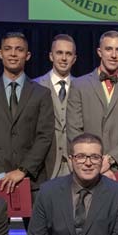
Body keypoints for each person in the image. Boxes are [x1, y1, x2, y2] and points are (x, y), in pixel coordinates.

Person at [0, 31, 54, 193]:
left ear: (28, 55)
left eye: (19, 49)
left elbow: (44, 136)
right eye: (8, 49)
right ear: (0, 53)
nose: (13, 53)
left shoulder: (42, 93)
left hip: (32, 181)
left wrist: (23, 170)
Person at [66, 30, 118, 177]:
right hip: (87, 168)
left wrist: (110, 160)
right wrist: (94, 162)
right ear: (99, 52)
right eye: (108, 49)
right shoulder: (79, 86)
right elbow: (74, 130)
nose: (113, 55)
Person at [34, 34, 77, 179]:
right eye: (59, 53)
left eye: (68, 54)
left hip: (74, 166)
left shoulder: (82, 87)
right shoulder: (35, 86)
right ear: (51, 56)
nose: (64, 58)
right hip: (44, 165)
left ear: (74, 59)